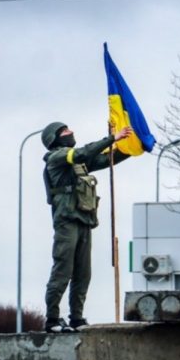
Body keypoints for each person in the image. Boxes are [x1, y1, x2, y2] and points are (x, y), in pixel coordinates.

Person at [41, 122, 132, 333]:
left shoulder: (77, 164)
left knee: (83, 273)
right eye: (65, 131)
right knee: (62, 271)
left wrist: (131, 148)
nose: (71, 132)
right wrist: (111, 138)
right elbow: (83, 153)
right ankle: (52, 319)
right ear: (54, 139)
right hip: (66, 222)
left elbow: (104, 159)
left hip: (83, 220)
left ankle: (76, 318)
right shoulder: (58, 158)